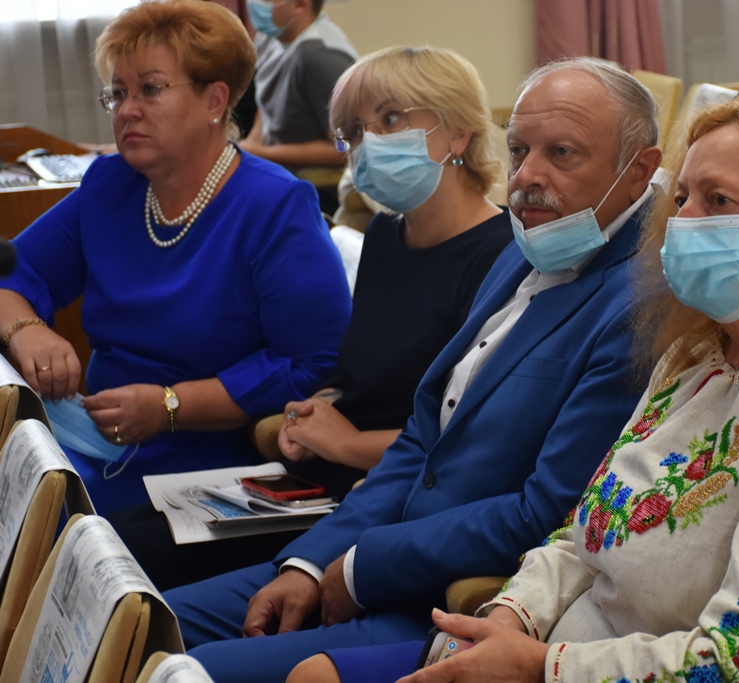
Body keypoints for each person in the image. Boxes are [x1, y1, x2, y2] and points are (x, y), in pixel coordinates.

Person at [288, 92, 739, 683]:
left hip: (574, 668)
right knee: (313, 674)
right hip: (551, 647)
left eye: (718, 201)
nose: (684, 221)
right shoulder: (697, 358)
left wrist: (538, 665)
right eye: (681, 198)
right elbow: (582, 534)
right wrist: (512, 615)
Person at [163, 57, 664, 683]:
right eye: (519, 150)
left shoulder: (641, 301)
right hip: (369, 544)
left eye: (562, 153)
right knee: (139, 621)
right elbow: (425, 436)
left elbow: (548, 511)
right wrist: (312, 564)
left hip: (447, 599)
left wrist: (362, 566)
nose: (527, 178)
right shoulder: (530, 242)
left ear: (638, 169)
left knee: (188, 673)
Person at [106, 45, 514, 590]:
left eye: (391, 119)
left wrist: (343, 443)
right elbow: (364, 375)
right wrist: (316, 408)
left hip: (389, 495)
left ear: (458, 132)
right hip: (321, 476)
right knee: (108, 536)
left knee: (135, 561)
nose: (368, 143)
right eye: (355, 131)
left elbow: (467, 438)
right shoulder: (386, 234)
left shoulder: (503, 256)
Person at [0, 0, 350, 515]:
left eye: (151, 89)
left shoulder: (274, 206)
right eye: (118, 93)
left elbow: (312, 362)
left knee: (41, 518)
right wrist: (26, 329)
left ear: (215, 100)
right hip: (97, 439)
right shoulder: (110, 184)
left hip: (213, 464)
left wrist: (172, 406)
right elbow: (12, 271)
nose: (127, 110)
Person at [239, 0, 356, 170]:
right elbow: (266, 105)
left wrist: (262, 153)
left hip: (311, 179)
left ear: (300, 5)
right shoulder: (271, 36)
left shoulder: (321, 59)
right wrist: (249, 147)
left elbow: (344, 147)